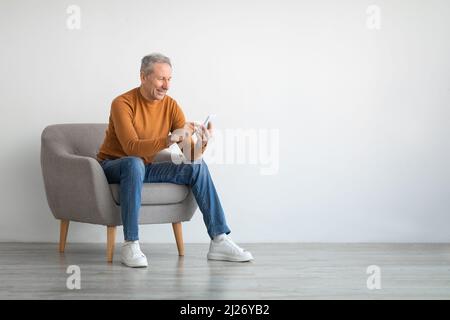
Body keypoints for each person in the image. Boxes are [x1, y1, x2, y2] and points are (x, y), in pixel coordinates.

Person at [96, 53, 254, 267]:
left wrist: (202, 143)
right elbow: (131, 147)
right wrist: (170, 138)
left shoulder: (171, 106)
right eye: (161, 79)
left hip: (145, 166)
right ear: (143, 77)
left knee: (196, 166)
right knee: (133, 162)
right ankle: (131, 244)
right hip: (113, 166)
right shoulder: (122, 103)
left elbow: (189, 156)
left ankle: (219, 239)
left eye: (169, 79)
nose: (166, 85)